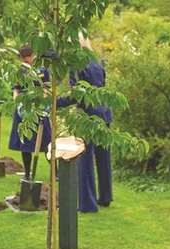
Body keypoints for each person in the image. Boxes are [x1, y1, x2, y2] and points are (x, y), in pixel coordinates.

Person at [57, 33, 112, 213]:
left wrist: (55, 103)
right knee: (103, 157)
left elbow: (77, 95)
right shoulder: (97, 61)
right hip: (104, 111)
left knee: (85, 160)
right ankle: (105, 197)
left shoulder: (76, 64)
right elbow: (100, 86)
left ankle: (87, 204)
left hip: (88, 116)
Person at [8, 45, 52, 181]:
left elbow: (46, 88)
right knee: (25, 142)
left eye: (30, 57)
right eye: (25, 58)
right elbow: (16, 90)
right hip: (24, 110)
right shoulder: (20, 72)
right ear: (21, 58)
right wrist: (18, 103)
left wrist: (44, 104)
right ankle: (27, 173)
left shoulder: (43, 70)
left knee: (46, 141)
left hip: (40, 109)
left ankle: (55, 172)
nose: (28, 60)